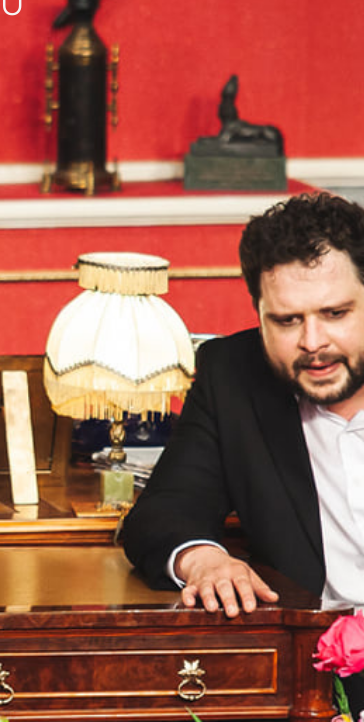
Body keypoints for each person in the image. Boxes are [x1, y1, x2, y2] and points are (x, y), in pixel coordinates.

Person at [123, 191, 364, 618]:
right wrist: (203, 560)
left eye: (335, 314)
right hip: (315, 647)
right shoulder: (232, 374)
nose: (312, 342)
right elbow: (164, 510)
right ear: (259, 314)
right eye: (287, 320)